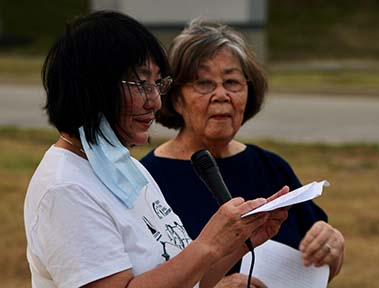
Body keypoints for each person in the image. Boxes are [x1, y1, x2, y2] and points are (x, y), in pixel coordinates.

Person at [23, 11, 290, 288]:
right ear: (92, 87)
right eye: (140, 84)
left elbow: (187, 280)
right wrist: (208, 243)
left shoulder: (128, 168)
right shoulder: (64, 189)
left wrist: (238, 242)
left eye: (157, 84)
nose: (155, 102)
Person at [140, 18, 345, 284]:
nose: (221, 95)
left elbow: (318, 265)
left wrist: (333, 246)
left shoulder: (271, 167)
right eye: (204, 83)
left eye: (232, 82)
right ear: (176, 98)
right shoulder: (147, 180)